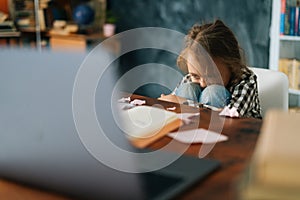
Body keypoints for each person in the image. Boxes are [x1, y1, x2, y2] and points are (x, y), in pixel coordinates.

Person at [159, 19, 262, 118]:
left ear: (232, 66)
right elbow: (170, 101)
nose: (203, 84)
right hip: (196, 128)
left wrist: (183, 103)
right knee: (188, 88)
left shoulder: (247, 81)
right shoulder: (190, 79)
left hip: (237, 132)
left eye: (212, 76)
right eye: (195, 76)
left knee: (213, 92)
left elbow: (230, 115)